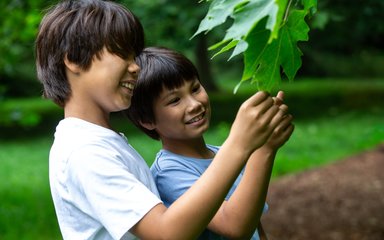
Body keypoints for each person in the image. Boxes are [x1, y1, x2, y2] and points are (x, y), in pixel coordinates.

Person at [35, 0, 288, 239]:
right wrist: (241, 144)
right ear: (74, 59)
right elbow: (166, 233)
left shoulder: (100, 143)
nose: (134, 67)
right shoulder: (85, 151)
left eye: (134, 56)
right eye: (122, 53)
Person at [126, 47, 294, 239]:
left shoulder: (226, 155)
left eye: (195, 89)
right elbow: (236, 227)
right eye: (175, 100)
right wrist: (263, 150)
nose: (194, 104)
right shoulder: (169, 173)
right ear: (147, 121)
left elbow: (254, 225)